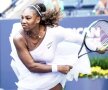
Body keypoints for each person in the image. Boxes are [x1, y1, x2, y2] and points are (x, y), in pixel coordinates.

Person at [9, 3, 107, 90]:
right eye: (22, 18)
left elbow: (79, 39)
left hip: (51, 77)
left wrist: (96, 48)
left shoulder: (54, 32)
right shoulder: (19, 38)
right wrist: (59, 68)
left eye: (28, 18)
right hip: (31, 78)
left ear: (38, 19)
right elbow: (31, 66)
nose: (23, 21)